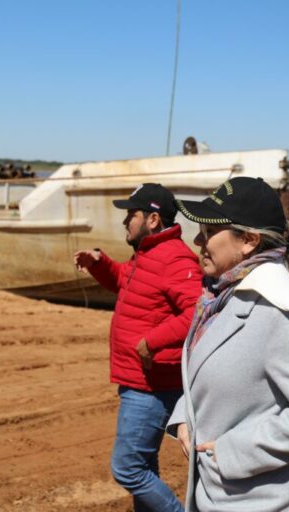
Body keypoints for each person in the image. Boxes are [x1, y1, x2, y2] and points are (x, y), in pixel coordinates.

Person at [166, 176, 289, 511]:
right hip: (220, 494)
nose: (196, 240)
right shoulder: (217, 296)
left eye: (208, 232)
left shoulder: (282, 311)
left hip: (269, 500)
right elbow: (207, 372)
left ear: (248, 241)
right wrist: (184, 418)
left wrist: (230, 453)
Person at [74, 183, 202, 512]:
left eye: (131, 214)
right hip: (138, 379)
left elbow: (197, 312)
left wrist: (151, 341)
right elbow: (126, 281)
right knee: (144, 465)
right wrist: (98, 264)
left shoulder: (174, 258)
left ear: (153, 219)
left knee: (128, 467)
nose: (125, 221)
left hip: (151, 385)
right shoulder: (149, 253)